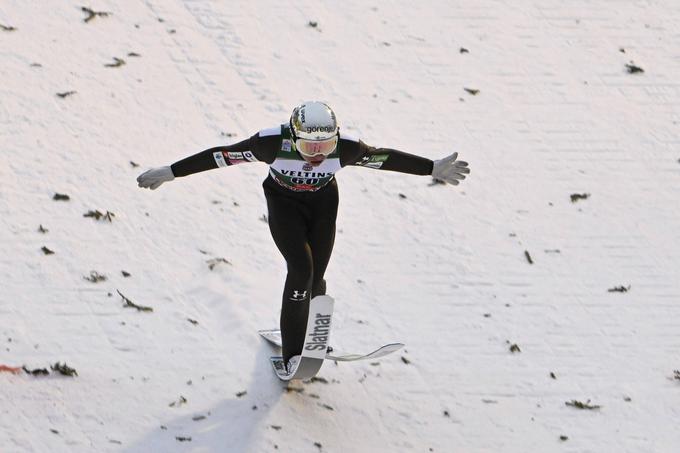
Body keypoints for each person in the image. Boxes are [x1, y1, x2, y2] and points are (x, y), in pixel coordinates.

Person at [137, 101, 469, 369]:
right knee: (300, 269)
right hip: (284, 204)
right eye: (310, 145)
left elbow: (385, 158)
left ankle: (308, 336)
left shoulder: (347, 149)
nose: (318, 154)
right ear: (293, 137)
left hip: (323, 203)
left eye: (325, 145)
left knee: (317, 276)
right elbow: (221, 156)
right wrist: (171, 172)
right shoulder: (269, 143)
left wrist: (431, 167)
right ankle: (293, 352)